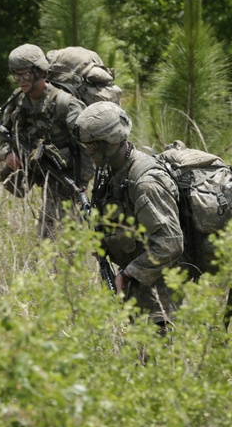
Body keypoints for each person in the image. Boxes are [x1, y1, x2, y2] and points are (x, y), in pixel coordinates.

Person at [72, 102, 184, 330]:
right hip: (139, 285)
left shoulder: (145, 183)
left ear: (110, 141)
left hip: (158, 293)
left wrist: (127, 274)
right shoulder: (111, 171)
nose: (88, 151)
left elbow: (170, 243)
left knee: (157, 359)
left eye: (93, 145)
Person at [0, 43, 93, 236]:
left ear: (40, 72)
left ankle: (62, 264)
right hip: (41, 171)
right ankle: (57, 264)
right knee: (51, 232)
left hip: (67, 175)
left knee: (54, 232)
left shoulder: (65, 104)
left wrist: (81, 183)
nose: (21, 81)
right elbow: (3, 132)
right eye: (17, 75)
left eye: (26, 75)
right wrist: (7, 153)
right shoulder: (18, 100)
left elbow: (89, 146)